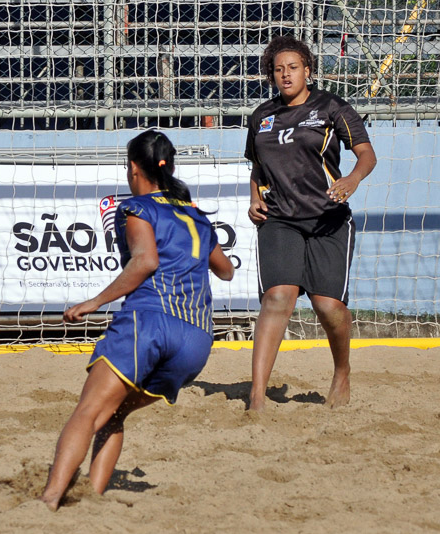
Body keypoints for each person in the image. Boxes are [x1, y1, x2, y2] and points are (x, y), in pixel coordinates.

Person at [40, 129, 235, 510]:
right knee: (114, 412)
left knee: (89, 411)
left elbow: (145, 261)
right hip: (196, 341)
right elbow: (225, 271)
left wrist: (94, 302)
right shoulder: (196, 216)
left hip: (151, 322)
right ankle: (92, 499)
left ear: (133, 167)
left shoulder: (136, 208)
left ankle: (48, 500)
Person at [245, 35, 377, 411]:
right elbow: (258, 167)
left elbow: (367, 155)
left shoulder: (331, 107)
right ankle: (256, 397)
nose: (285, 74)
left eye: (293, 68)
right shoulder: (261, 116)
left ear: (308, 70)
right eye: (278, 69)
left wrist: (351, 179)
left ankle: (342, 371)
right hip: (280, 219)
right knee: (277, 298)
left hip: (327, 220)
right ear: (271, 75)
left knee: (328, 307)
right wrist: (255, 198)